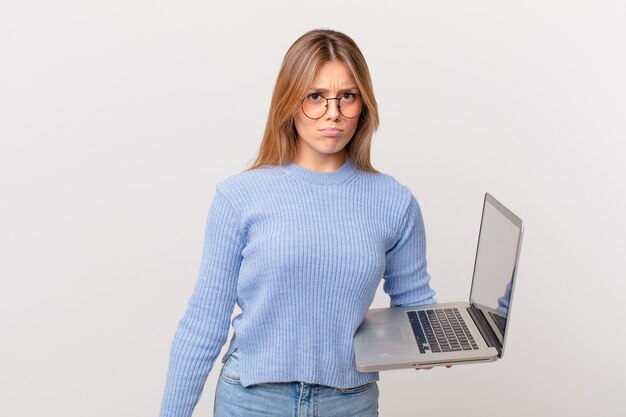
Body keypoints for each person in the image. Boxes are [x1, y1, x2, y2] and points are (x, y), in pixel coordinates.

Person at [159, 29, 436, 417]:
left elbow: (414, 307)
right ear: (290, 102)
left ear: (364, 104)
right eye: (315, 97)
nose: (333, 113)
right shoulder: (239, 197)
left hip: (350, 402)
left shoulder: (394, 201)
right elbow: (204, 324)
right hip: (252, 401)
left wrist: (443, 337)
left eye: (348, 97)